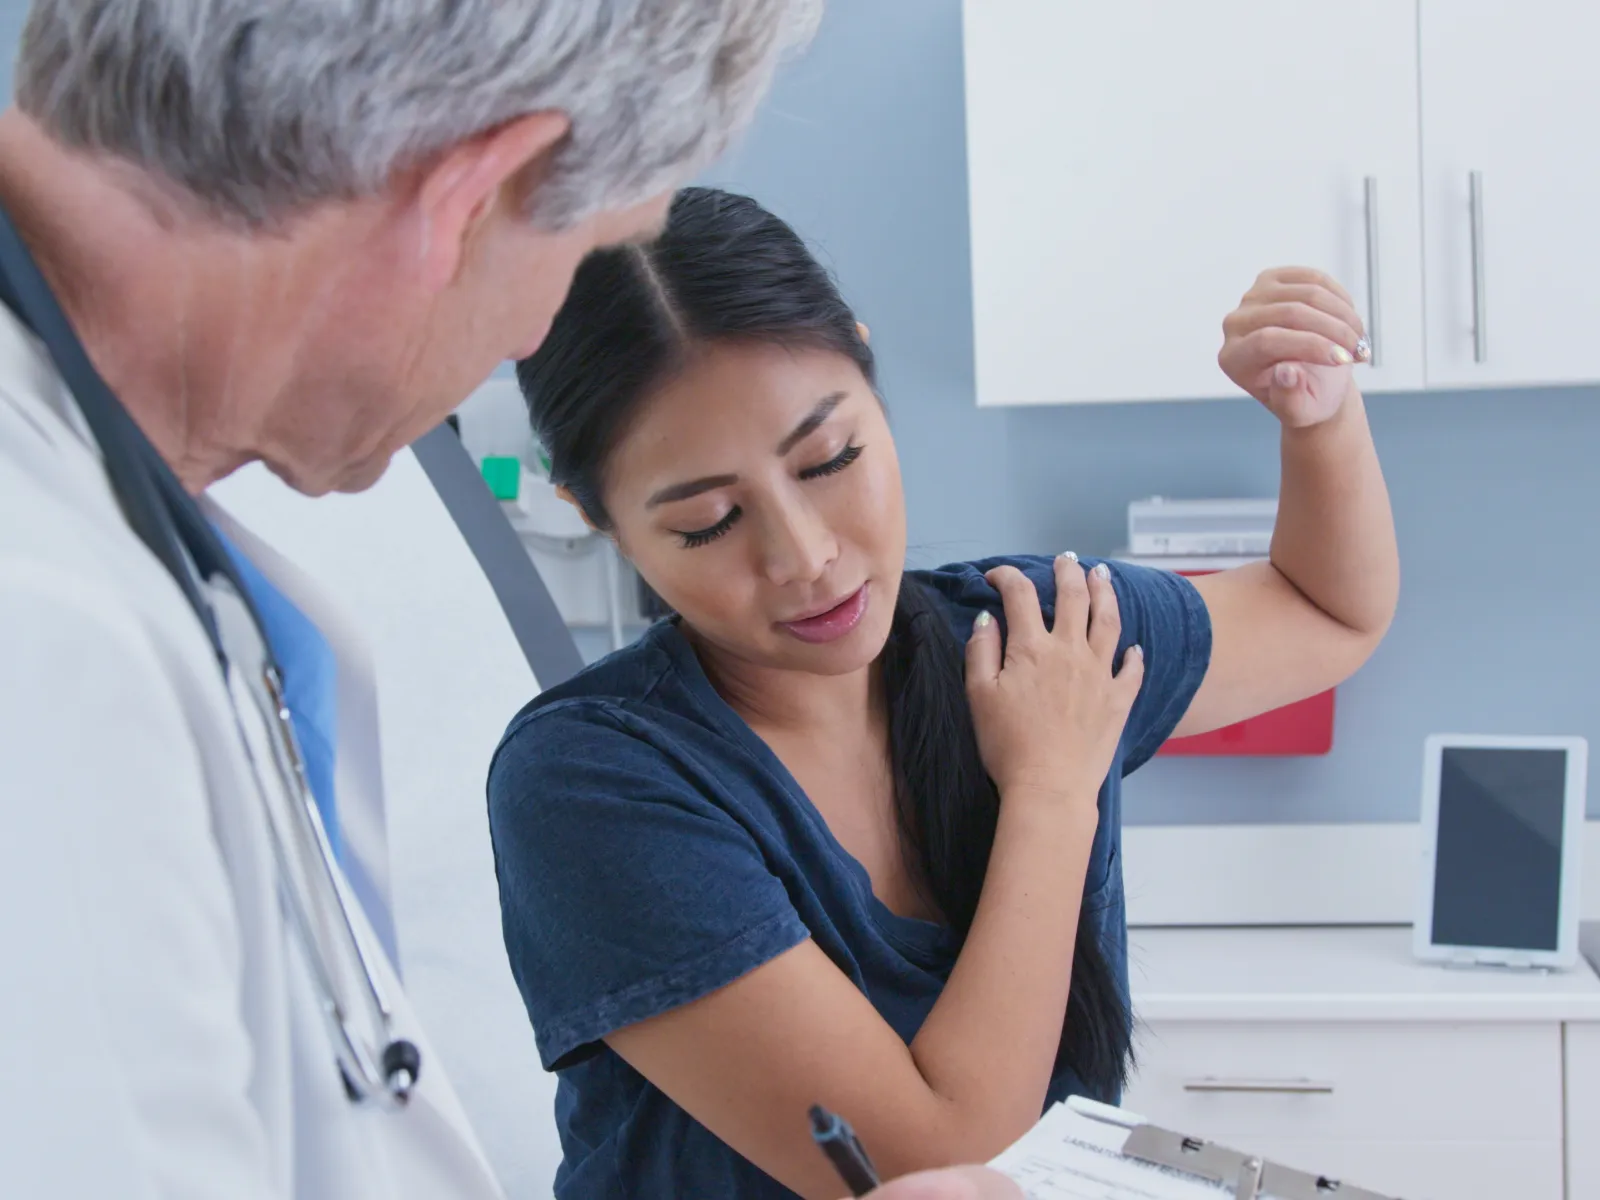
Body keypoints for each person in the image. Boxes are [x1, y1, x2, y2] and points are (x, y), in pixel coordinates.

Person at [0, 1, 1016, 1196]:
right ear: (471, 197)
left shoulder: (107, 525)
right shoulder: (43, 631)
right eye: (577, 261)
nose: (533, 335)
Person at [488, 186, 1401, 1198]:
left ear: (872, 383)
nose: (805, 556)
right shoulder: (590, 782)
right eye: (707, 521)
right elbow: (933, 1163)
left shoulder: (1027, 639)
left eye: (830, 459)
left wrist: (1316, 417)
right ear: (597, 517)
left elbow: (1328, 613)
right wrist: (1053, 788)